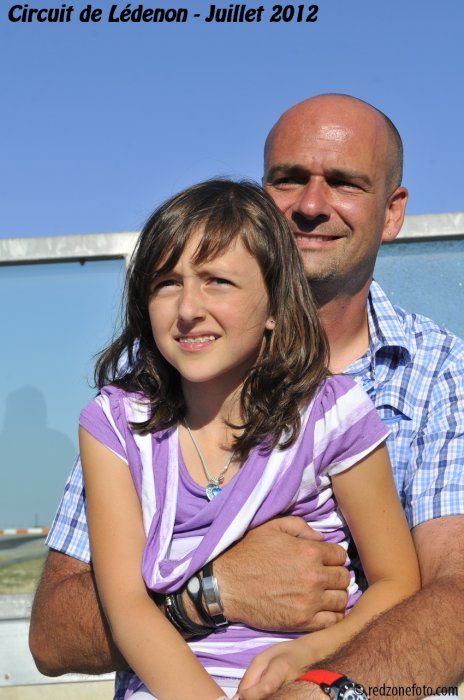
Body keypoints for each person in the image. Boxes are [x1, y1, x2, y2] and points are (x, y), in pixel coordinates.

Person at [29, 94, 464, 698]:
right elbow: (53, 634)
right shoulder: (137, 403)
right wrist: (211, 592)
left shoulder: (439, 377)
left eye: (344, 182)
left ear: (393, 213)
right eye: (289, 179)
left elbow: (450, 596)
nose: (311, 205)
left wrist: (315, 683)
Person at [77, 178, 418, 699]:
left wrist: (309, 657)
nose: (188, 308)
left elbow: (397, 583)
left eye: (217, 281)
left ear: (276, 307)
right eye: (167, 283)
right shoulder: (115, 425)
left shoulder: (334, 414)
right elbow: (127, 607)